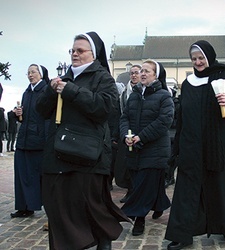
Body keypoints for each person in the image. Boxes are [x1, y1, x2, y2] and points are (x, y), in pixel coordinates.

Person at [36, 32, 129, 250]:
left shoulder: (102, 77)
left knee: (90, 207)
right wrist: (51, 91)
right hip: (58, 154)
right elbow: (41, 111)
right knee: (56, 207)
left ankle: (103, 240)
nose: (75, 54)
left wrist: (71, 91)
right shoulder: (63, 78)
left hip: (87, 155)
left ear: (93, 54)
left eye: (80, 51)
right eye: (72, 50)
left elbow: (104, 108)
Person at [165, 40, 225, 250]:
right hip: (191, 145)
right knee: (186, 189)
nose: (198, 62)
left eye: (201, 58)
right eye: (194, 59)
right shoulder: (187, 84)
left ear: (209, 57)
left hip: (220, 144)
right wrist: (177, 147)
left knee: (221, 187)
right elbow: (182, 117)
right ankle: (182, 234)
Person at [119, 59, 173, 236]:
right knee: (145, 184)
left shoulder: (164, 95)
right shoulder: (134, 95)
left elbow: (164, 121)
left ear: (156, 75)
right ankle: (160, 204)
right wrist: (125, 135)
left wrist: (141, 137)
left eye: (146, 71)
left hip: (154, 149)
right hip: (134, 148)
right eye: (141, 70)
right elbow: (124, 117)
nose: (142, 73)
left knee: (142, 185)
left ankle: (137, 218)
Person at [11, 64, 50, 218]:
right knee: (21, 175)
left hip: (39, 142)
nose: (30, 75)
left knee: (39, 177)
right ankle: (24, 207)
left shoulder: (46, 91)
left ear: (41, 74)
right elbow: (24, 117)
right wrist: (17, 113)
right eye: (28, 72)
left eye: (33, 72)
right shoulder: (27, 92)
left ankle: (39, 205)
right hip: (23, 141)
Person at [115, 64, 142, 203]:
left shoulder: (144, 90)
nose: (134, 75)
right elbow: (122, 113)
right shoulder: (125, 92)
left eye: (136, 72)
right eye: (132, 73)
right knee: (127, 164)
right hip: (127, 130)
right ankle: (130, 190)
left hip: (141, 130)